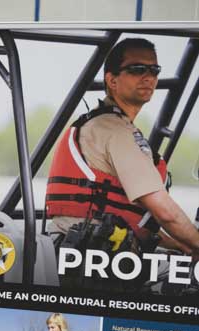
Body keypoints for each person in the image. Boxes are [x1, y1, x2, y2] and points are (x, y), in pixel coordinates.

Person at [46, 38, 199, 264]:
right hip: (90, 257)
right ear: (112, 80)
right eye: (137, 69)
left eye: (154, 70)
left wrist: (182, 244)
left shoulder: (109, 124)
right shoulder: (114, 131)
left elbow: (129, 220)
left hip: (82, 250)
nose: (149, 77)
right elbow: (165, 212)